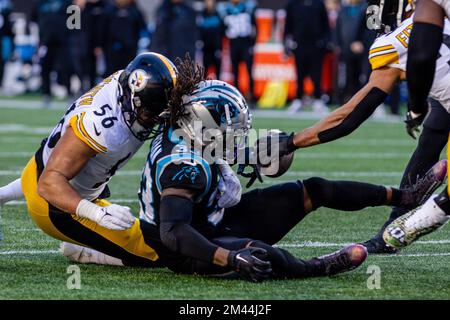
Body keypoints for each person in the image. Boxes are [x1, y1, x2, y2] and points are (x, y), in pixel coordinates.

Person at [61, 79, 443, 282]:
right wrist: (229, 257)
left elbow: (240, 160)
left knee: (314, 189)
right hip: (190, 246)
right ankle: (316, 267)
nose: (236, 133)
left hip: (210, 218)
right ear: (203, 127)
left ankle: (405, 196)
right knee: (258, 252)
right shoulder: (182, 164)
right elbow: (174, 231)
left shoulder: (194, 134)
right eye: (230, 127)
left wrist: (275, 152)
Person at [257, 0, 450, 253]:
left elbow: (348, 117)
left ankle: (404, 228)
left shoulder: (393, 43)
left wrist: (291, 142)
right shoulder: (440, 17)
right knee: (435, 126)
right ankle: (396, 225)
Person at [0, 52, 180, 265]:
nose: (155, 119)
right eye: (151, 112)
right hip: (56, 204)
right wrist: (96, 213)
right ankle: (84, 252)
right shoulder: (101, 127)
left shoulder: (127, 82)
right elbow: (49, 183)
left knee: (72, 162)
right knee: (158, 250)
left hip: (40, 167)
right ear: (133, 98)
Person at [284, 0, 330, 113]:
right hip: (299, 44)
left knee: (317, 75)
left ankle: (318, 100)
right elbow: (287, 25)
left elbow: (325, 24)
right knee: (299, 74)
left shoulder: (319, 3)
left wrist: (325, 42)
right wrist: (286, 45)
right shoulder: (292, 4)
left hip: (316, 44)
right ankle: (298, 100)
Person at [219, 0, 257, 101]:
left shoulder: (247, 7)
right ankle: (236, 97)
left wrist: (253, 43)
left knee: (249, 70)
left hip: (246, 43)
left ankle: (252, 96)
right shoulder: (225, 10)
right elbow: (222, 29)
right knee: (235, 72)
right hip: (234, 44)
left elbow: (254, 26)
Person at [98, 0, 147, 76]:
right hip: (112, 51)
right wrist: (100, 45)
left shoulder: (135, 11)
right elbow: (102, 30)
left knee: (128, 74)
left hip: (129, 51)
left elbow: (142, 28)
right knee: (112, 75)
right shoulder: (109, 11)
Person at [198, 0, 224, 79]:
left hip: (216, 48)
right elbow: (198, 31)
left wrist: (219, 46)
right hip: (206, 49)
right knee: (204, 71)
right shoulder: (201, 15)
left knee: (218, 72)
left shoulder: (218, 15)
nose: (209, 3)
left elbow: (222, 31)